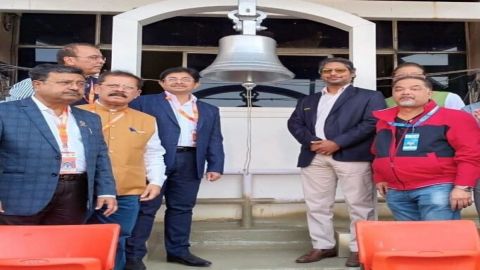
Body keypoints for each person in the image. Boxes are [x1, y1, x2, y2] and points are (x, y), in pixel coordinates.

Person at [287, 57, 386, 268]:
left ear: (352, 73)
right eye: (327, 70)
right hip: (314, 156)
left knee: (360, 205)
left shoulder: (370, 96)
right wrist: (311, 141)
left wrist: (337, 143)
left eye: (339, 70)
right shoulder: (308, 100)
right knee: (317, 204)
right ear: (321, 74)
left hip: (353, 156)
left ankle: (360, 248)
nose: (333, 74)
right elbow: (294, 123)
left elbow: (372, 122)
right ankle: (323, 245)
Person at [125, 67, 225, 269]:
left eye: (185, 79)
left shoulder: (209, 109)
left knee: (182, 208)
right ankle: (133, 256)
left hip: (190, 160)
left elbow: (214, 139)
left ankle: (178, 252)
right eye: (172, 79)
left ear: (196, 84)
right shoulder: (143, 102)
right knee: (146, 208)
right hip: (152, 160)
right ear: (162, 83)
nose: (179, 82)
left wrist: (216, 165)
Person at [0, 63, 117, 225]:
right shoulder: (6, 112)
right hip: (20, 194)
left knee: (65, 246)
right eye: (65, 83)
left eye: (80, 83)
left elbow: (101, 157)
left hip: (75, 193)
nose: (75, 88)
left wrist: (107, 191)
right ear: (37, 85)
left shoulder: (89, 118)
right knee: (17, 247)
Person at [78, 71, 167, 270]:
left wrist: (155, 182)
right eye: (113, 85)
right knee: (75, 238)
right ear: (98, 88)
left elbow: (153, 154)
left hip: (125, 192)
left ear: (137, 94)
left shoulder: (147, 120)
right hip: (79, 191)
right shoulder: (75, 113)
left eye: (128, 87)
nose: (120, 90)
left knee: (117, 240)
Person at [372, 76, 480, 221]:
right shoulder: (385, 121)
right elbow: (379, 152)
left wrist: (462, 187)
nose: (405, 92)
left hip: (437, 188)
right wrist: (381, 177)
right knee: (412, 240)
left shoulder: (455, 117)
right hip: (396, 190)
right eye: (399, 89)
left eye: (414, 88)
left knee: (439, 239)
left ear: (430, 93)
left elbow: (470, 154)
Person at [6, 43, 106, 105]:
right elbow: (12, 108)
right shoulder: (42, 80)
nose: (101, 61)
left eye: (102, 58)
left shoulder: (98, 83)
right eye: (93, 58)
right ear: (69, 60)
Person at [385, 62, 465, 109]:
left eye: (415, 75)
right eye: (402, 76)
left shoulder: (449, 98)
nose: (408, 78)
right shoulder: (384, 102)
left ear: (425, 78)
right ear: (393, 79)